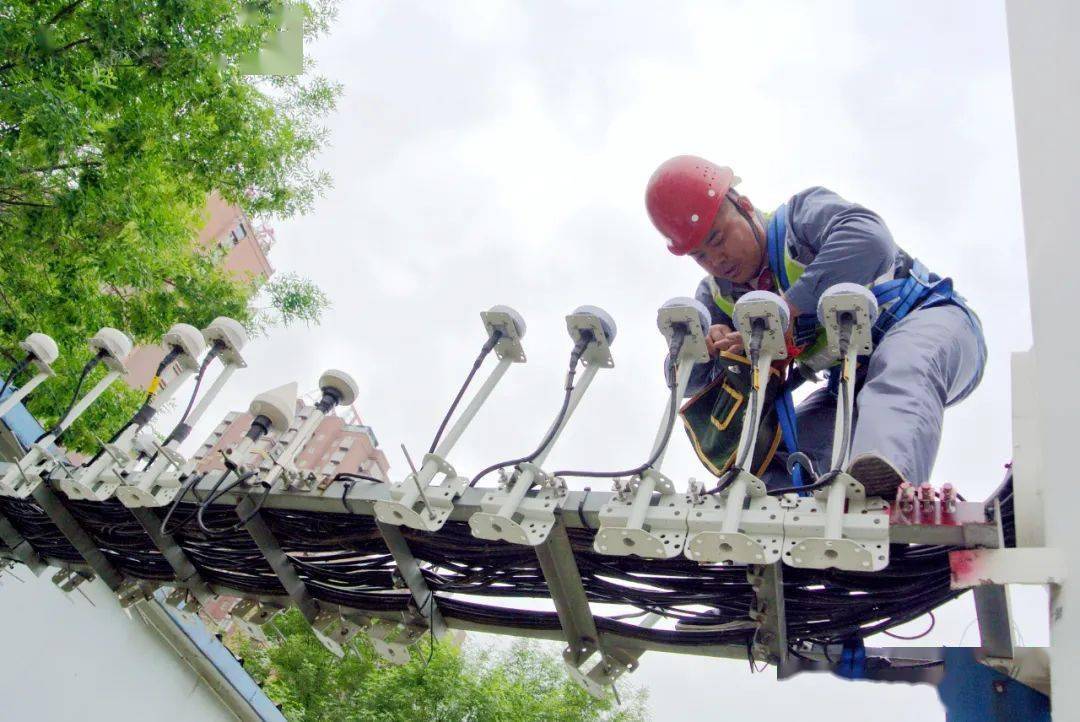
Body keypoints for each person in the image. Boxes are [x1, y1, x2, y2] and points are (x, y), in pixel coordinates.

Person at [645, 155, 986, 497]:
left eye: (718, 239)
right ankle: (752, 522)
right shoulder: (718, 296)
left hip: (930, 321)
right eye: (700, 255)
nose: (716, 260)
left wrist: (791, 307)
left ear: (744, 206)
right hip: (851, 380)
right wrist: (704, 349)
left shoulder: (799, 220)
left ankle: (891, 493)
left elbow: (871, 241)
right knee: (776, 466)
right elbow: (687, 382)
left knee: (900, 366)